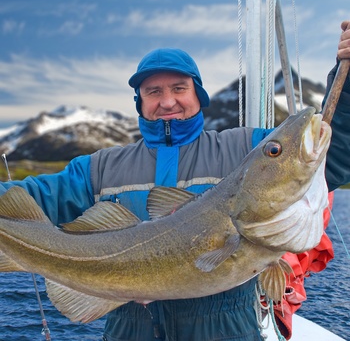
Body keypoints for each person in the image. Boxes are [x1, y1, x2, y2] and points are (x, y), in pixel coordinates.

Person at [1, 20, 350, 341]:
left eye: (179, 88)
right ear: (140, 103)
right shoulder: (100, 167)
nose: (167, 102)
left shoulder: (246, 148)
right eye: (153, 92)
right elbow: (23, 199)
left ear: (198, 94)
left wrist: (347, 79)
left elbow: (335, 156)